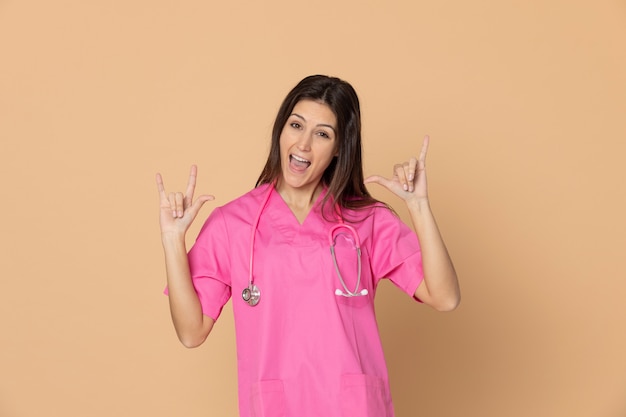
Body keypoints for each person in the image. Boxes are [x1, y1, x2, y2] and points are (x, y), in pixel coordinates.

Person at [156, 74, 460, 417]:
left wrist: (418, 206)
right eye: (296, 125)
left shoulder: (366, 219)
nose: (303, 145)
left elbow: (445, 297)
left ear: (338, 149)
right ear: (280, 131)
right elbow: (191, 332)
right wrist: (172, 239)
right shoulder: (233, 223)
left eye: (322, 134)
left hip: (353, 408)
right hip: (275, 406)